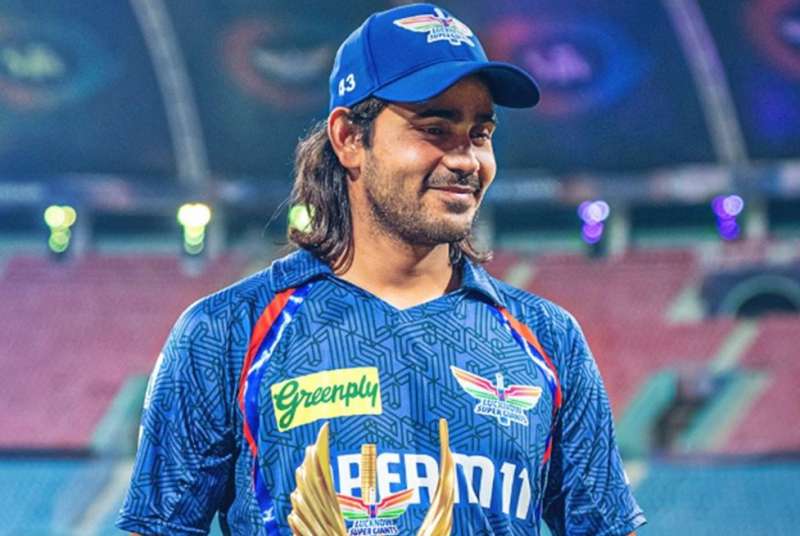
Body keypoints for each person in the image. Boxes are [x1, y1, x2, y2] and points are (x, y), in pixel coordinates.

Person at [118, 3, 645, 535]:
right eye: (435, 128)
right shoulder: (226, 333)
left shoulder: (550, 341)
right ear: (349, 138)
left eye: (480, 133)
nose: (466, 160)